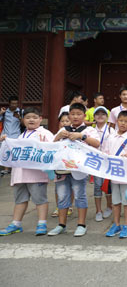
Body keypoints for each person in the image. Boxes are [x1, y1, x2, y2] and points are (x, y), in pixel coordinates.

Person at [0, 107, 54, 236]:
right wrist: (5, 141)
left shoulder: (45, 133)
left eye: (35, 117)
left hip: (36, 174)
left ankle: (42, 223)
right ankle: (16, 224)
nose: (31, 120)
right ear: (23, 120)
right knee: (20, 199)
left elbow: (52, 149)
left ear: (40, 119)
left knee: (40, 199)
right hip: (20, 174)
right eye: (28, 117)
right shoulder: (21, 135)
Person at [49, 103, 100, 237]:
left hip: (79, 169)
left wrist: (81, 136)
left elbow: (97, 144)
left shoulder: (89, 130)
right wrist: (59, 137)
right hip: (62, 169)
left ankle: (81, 224)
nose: (75, 117)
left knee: (80, 196)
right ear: (69, 115)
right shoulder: (63, 129)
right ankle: (61, 225)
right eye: (73, 114)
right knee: (62, 196)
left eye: (78, 114)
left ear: (84, 115)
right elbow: (51, 147)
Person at [103, 111, 127, 239]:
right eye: (121, 121)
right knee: (115, 202)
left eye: (126, 121)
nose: (123, 123)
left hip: (126, 175)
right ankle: (116, 224)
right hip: (114, 175)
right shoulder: (111, 137)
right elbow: (105, 153)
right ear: (117, 121)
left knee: (126, 202)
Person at [93, 106, 114, 222]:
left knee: (107, 185)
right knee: (97, 185)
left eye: (103, 114)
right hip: (95, 161)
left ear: (107, 117)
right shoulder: (90, 130)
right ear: (94, 116)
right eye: (97, 114)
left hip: (107, 162)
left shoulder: (111, 130)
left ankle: (109, 207)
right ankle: (98, 210)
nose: (100, 116)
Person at [51, 112, 72, 218]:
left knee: (71, 187)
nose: (64, 123)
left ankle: (70, 206)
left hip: (71, 165)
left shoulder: (74, 132)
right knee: (58, 187)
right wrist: (58, 137)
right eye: (62, 121)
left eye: (67, 121)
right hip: (59, 165)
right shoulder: (58, 133)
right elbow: (50, 146)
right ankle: (58, 206)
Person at [0, 96, 22, 175]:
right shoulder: (5, 112)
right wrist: (1, 113)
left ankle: (14, 169)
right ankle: (6, 169)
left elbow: (24, 123)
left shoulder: (21, 111)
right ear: (9, 103)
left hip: (16, 134)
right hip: (5, 134)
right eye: (12, 103)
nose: (14, 105)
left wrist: (19, 117)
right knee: (5, 150)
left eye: (16, 103)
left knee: (15, 151)